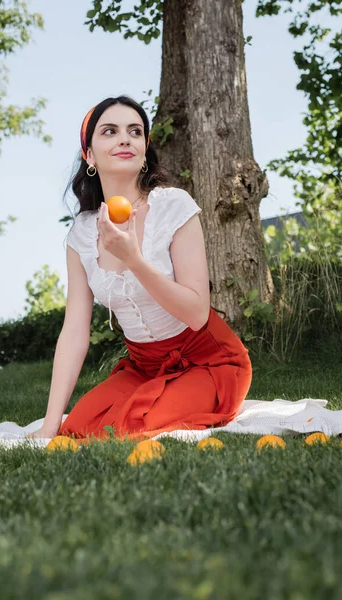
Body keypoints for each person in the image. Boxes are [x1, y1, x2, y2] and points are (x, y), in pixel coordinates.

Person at [26, 95, 252, 442]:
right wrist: (49, 423)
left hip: (207, 360)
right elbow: (74, 333)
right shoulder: (82, 235)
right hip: (143, 368)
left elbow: (196, 314)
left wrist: (134, 260)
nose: (124, 138)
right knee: (78, 429)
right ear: (89, 155)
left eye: (135, 131)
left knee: (131, 427)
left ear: (145, 148)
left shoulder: (173, 206)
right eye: (110, 131)